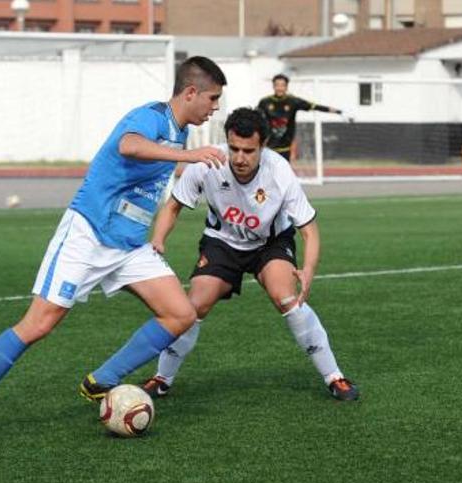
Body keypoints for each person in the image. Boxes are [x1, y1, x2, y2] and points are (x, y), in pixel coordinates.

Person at [0, 56, 228, 435]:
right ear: (191, 92)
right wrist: (188, 156)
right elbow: (129, 146)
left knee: (180, 314)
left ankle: (102, 380)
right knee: (39, 324)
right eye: (212, 99)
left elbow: (154, 165)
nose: (215, 108)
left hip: (129, 246)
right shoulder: (151, 116)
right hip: (89, 234)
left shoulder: (178, 133)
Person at [141, 107, 360, 402]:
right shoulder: (207, 163)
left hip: (269, 244)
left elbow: (309, 229)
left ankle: (334, 376)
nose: (239, 158)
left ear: (263, 146)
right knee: (194, 305)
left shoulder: (279, 171)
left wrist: (308, 269)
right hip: (221, 242)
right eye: (234, 149)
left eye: (248, 150)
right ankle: (162, 377)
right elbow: (173, 206)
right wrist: (158, 239)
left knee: (287, 299)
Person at [257, 74, 345, 161]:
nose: (280, 88)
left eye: (282, 85)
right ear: (273, 86)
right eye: (277, 85)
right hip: (269, 147)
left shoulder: (293, 101)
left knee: (283, 173)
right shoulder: (265, 102)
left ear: (286, 87)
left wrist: (338, 111)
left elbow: (315, 106)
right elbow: (255, 117)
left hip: (285, 147)